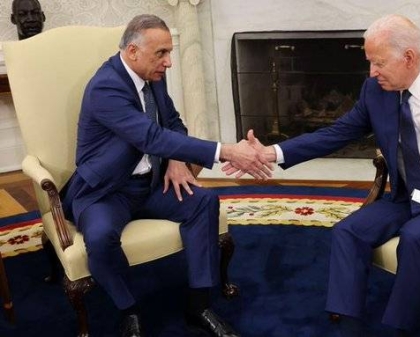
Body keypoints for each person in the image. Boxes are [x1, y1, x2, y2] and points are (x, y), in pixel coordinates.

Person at [230, 14, 420, 336]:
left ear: (409, 57)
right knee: (348, 230)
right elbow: (336, 133)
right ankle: (347, 325)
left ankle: (398, 328)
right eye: (369, 62)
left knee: (415, 237)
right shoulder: (376, 91)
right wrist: (271, 153)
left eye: (379, 63)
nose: (372, 72)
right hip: (409, 195)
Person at [60, 14, 271, 337]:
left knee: (204, 203)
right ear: (132, 52)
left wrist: (175, 158)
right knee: (101, 240)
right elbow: (149, 137)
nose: (169, 63)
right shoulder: (106, 87)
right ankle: (129, 309)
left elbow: (172, 124)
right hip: (106, 191)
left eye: (169, 52)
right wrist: (226, 150)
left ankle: (198, 306)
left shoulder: (152, 76)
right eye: (161, 53)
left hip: (151, 183)